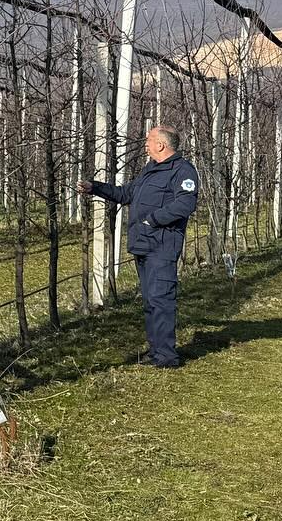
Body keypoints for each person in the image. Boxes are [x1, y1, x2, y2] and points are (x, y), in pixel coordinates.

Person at [78, 124, 199, 368]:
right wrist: (96, 188)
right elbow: (126, 194)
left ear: (161, 145)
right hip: (143, 245)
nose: (146, 143)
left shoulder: (183, 171)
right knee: (150, 301)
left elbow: (185, 205)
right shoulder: (150, 169)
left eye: (149, 139)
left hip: (162, 247)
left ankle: (167, 357)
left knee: (161, 299)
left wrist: (153, 219)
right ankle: (156, 351)